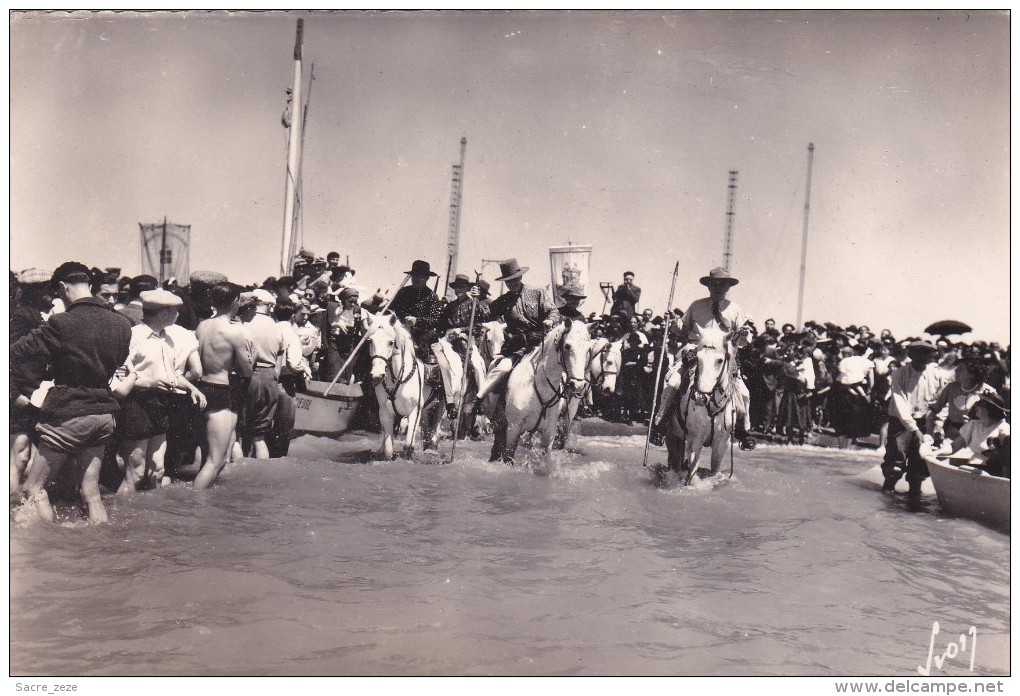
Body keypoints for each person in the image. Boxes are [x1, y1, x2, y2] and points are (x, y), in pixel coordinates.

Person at [11, 262, 132, 524]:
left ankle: (54, 553)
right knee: (91, 493)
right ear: (89, 286)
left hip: (67, 414)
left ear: (64, 288)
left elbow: (17, 352)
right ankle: (100, 549)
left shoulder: (60, 323)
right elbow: (119, 360)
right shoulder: (122, 324)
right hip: (103, 414)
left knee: (34, 489)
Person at [110, 289, 206, 492]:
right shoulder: (133, 337)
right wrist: (149, 382)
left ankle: (151, 518)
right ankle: (125, 520)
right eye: (175, 312)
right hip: (137, 405)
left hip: (161, 405)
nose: (178, 315)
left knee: (158, 470)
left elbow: (173, 375)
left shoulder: (167, 338)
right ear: (164, 314)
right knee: (135, 473)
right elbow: (117, 380)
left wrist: (192, 388)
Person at [652, 267, 753, 448]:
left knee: (743, 393)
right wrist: (674, 322)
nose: (718, 287)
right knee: (673, 383)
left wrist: (744, 333)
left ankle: (743, 431)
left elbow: (743, 341)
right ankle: (660, 423)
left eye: (722, 284)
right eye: (714, 284)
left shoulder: (735, 309)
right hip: (695, 353)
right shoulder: (696, 305)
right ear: (708, 286)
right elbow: (681, 330)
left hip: (722, 360)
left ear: (728, 287)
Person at [473, 259, 559, 461]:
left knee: (558, 373)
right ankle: (479, 399)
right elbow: (485, 314)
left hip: (540, 345)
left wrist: (550, 320)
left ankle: (559, 411)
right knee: (502, 368)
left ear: (520, 277)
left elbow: (553, 311)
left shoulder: (538, 293)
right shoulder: (503, 300)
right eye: (508, 281)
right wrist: (476, 301)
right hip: (517, 348)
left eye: (514, 279)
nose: (512, 283)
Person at [193, 282, 254, 490]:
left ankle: (204, 507)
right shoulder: (233, 332)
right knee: (216, 461)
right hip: (219, 391)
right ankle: (193, 509)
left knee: (205, 458)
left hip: (199, 389)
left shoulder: (202, 326)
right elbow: (247, 371)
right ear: (236, 301)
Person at [881, 340, 952, 497]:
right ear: (910, 354)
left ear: (931, 356)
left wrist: (939, 424)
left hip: (926, 423)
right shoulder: (899, 373)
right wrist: (913, 428)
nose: (922, 357)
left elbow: (944, 402)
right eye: (917, 353)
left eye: (926, 353)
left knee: (919, 466)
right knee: (895, 462)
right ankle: (887, 494)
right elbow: (900, 403)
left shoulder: (938, 376)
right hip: (900, 421)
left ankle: (914, 498)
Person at [239, 289, 296, 459]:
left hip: (249, 375)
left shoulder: (245, 322)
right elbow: (280, 357)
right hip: (270, 376)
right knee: (259, 436)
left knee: (240, 433)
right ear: (269, 306)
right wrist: (273, 375)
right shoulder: (277, 327)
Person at [433, 273, 487, 420]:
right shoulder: (451, 306)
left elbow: (483, 319)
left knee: (477, 365)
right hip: (449, 340)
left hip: (467, 339)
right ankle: (444, 398)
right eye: (456, 288)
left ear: (468, 288)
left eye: (462, 287)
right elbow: (440, 324)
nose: (458, 290)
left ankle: (479, 400)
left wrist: (462, 331)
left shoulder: (474, 303)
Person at [933, 391, 1010, 468]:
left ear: (990, 409)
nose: (976, 405)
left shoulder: (1003, 428)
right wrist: (936, 453)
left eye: (981, 404)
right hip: (972, 468)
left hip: (992, 471)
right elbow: (954, 446)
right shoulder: (973, 425)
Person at [927, 359, 995, 444]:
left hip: (978, 438)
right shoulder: (951, 387)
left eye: (961, 369)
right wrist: (930, 433)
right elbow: (932, 409)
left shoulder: (988, 392)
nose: (956, 370)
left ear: (972, 374)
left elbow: (995, 420)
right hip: (952, 436)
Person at [389, 259, 445, 361]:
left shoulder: (432, 296)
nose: (417, 279)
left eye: (421, 276)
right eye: (414, 276)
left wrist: (417, 321)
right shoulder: (403, 292)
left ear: (427, 278)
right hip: (399, 330)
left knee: (421, 352)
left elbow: (435, 320)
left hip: (422, 333)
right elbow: (391, 309)